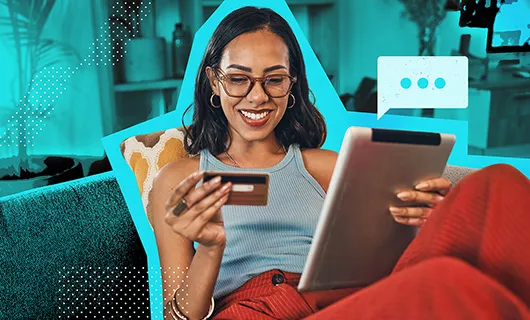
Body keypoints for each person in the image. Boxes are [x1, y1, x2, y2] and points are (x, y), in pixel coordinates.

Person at [151, 6, 530, 320]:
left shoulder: (326, 166)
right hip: (252, 310)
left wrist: (428, 220)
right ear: (214, 82)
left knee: (498, 183)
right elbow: (177, 316)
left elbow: (382, 255)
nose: (257, 97)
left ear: (292, 84)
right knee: (449, 284)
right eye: (238, 79)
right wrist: (213, 248)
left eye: (274, 79)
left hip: (339, 300)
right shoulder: (179, 178)